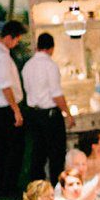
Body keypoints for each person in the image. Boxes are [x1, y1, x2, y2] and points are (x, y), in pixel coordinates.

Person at [0, 20, 27, 198]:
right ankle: (9, 187)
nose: (17, 43)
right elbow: (5, 86)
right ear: (9, 37)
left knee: (2, 147)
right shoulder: (1, 56)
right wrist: (16, 110)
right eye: (17, 40)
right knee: (15, 148)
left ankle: (4, 184)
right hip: (6, 109)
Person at [22, 33, 73, 185]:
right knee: (56, 154)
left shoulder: (27, 66)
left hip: (33, 113)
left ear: (37, 46)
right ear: (51, 48)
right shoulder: (50, 65)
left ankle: (36, 188)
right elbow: (56, 94)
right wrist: (68, 114)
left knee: (38, 153)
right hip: (50, 115)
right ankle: (56, 187)